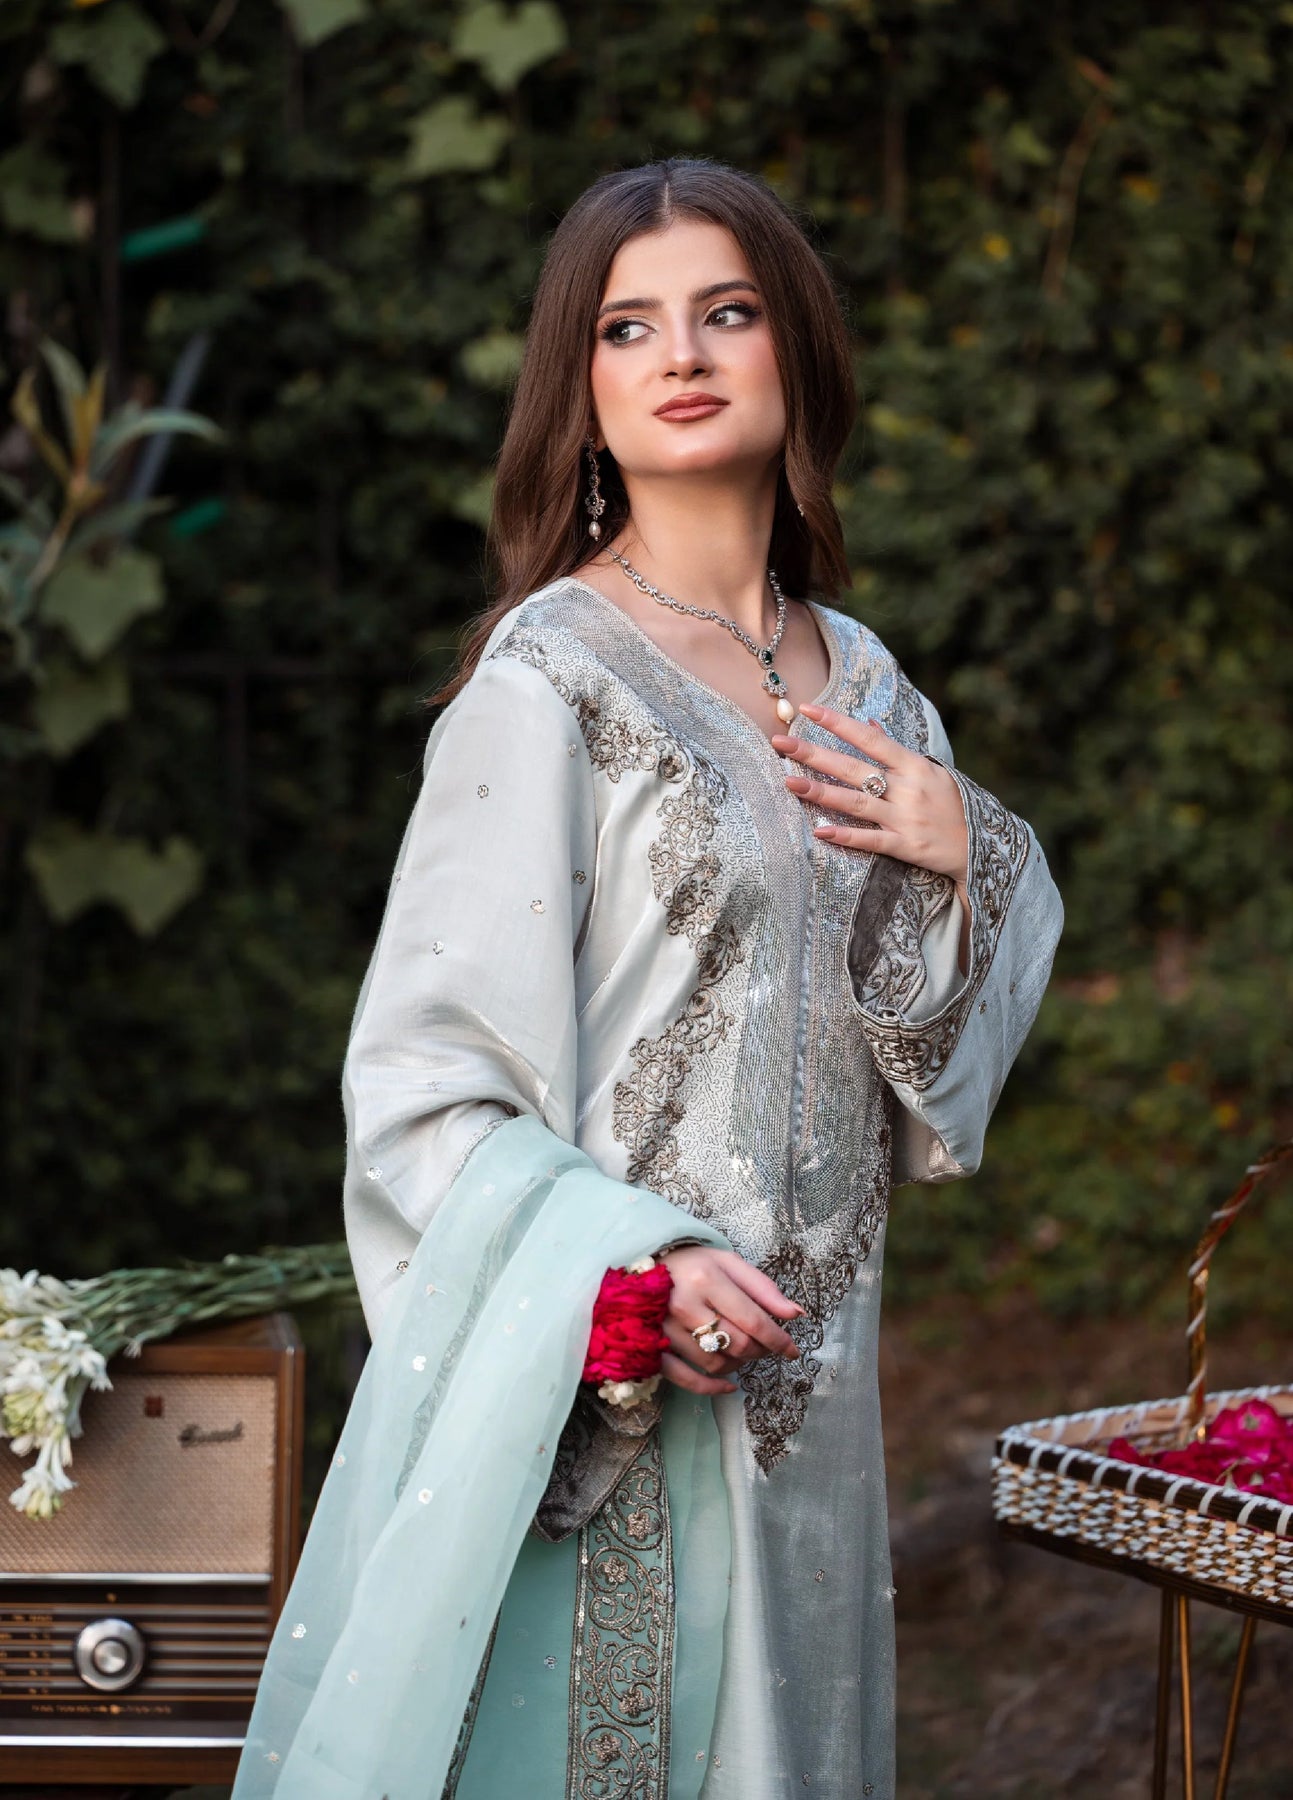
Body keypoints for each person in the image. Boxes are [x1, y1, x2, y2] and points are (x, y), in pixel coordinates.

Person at [233, 157, 1063, 1800]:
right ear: (583, 391)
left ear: (795, 351)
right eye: (627, 327)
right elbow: (419, 1086)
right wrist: (629, 1265)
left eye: (724, 313)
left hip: (816, 1406)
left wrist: (972, 846)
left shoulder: (875, 690)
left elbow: (932, 1089)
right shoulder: (547, 682)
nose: (679, 353)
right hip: (621, 1401)